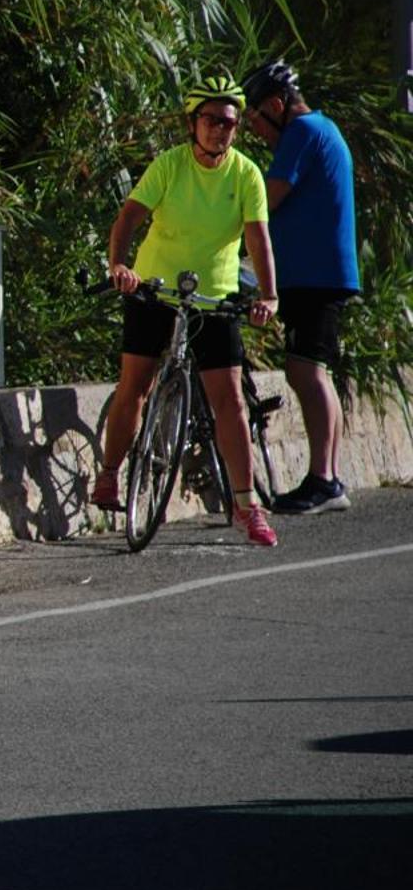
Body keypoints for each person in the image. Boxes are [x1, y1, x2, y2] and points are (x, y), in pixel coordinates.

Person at [91, 78, 281, 545]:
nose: (221, 130)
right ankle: (110, 473)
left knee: (230, 401)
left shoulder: (245, 174)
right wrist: (119, 265)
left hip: (213, 298)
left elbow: (258, 239)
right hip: (154, 290)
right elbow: (129, 216)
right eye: (212, 120)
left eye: (230, 123)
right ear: (193, 123)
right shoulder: (170, 165)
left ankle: (247, 505)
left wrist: (269, 296)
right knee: (135, 384)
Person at [242, 60, 359, 514]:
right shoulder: (321, 129)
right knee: (313, 371)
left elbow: (265, 199)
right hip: (319, 271)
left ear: (275, 105)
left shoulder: (302, 133)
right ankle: (326, 476)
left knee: (306, 372)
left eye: (255, 119)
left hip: (314, 274)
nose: (258, 131)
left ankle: (323, 480)